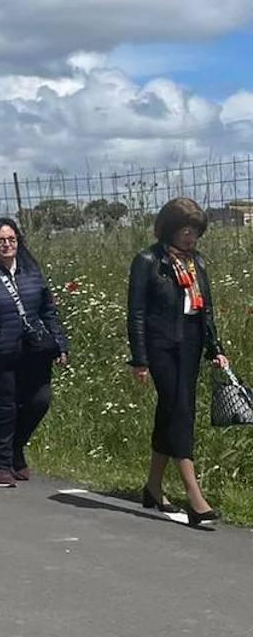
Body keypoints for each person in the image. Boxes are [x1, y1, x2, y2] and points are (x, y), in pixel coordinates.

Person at [128, 197, 226, 527]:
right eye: (186, 230)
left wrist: (216, 349)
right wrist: (139, 359)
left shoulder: (196, 261)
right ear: (170, 228)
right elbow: (136, 313)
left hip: (191, 343)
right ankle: (194, 496)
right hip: (160, 345)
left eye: (195, 231)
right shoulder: (147, 260)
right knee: (181, 410)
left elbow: (206, 311)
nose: (191, 237)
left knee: (170, 411)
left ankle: (153, 488)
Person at [0, 218, 69, 487]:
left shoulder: (31, 270)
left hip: (33, 349)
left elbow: (47, 310)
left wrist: (60, 343)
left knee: (39, 400)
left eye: (12, 239)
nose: (7, 244)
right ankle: (1, 464)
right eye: (0, 240)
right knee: (5, 404)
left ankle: (16, 448)